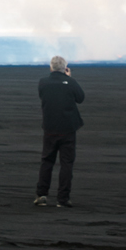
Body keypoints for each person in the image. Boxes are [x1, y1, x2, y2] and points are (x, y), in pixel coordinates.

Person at [33, 54, 83, 207]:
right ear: (65, 68)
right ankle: (63, 199)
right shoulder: (71, 82)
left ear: (51, 67)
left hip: (50, 128)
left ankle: (41, 195)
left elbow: (43, 96)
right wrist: (68, 78)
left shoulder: (43, 82)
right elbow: (80, 98)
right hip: (68, 129)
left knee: (47, 161)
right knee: (66, 163)